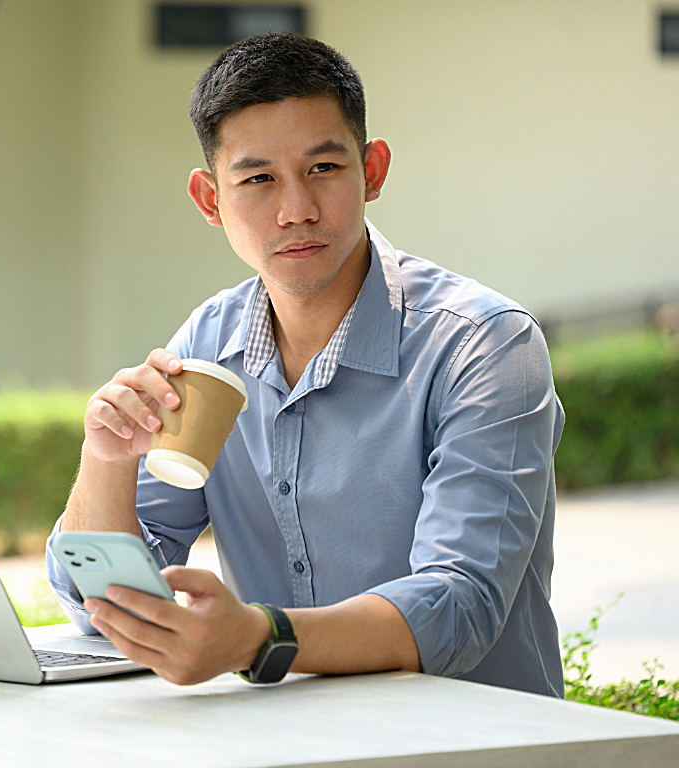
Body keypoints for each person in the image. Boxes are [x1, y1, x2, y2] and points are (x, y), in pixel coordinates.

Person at [46, 32, 565, 696]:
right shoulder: (207, 344)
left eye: (324, 169)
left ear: (372, 170)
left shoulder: (484, 344)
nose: (297, 211)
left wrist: (261, 637)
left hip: (477, 744)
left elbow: (459, 605)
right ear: (211, 201)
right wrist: (106, 459)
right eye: (258, 179)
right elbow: (101, 605)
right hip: (289, 745)